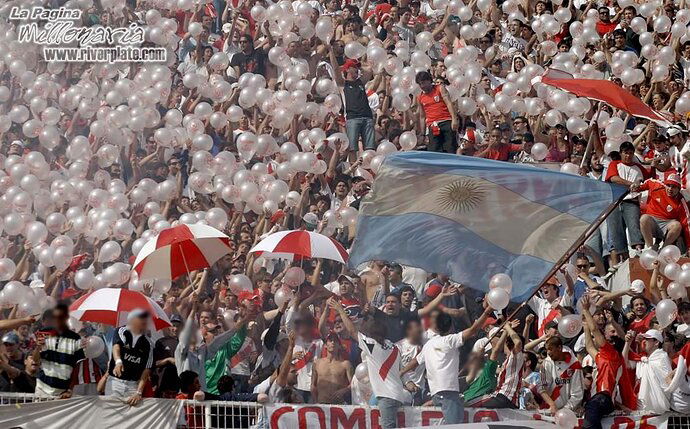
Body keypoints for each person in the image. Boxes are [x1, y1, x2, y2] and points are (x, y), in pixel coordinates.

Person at [402, 306, 493, 424]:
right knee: (454, 425)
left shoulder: (429, 344)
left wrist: (402, 371)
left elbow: (415, 361)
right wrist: (487, 312)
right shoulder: (450, 340)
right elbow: (473, 330)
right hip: (447, 391)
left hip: (436, 393)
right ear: (450, 326)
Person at [33, 304, 85, 398]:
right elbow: (35, 360)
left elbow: (78, 367)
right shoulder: (44, 334)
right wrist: (37, 347)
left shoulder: (76, 338)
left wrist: (70, 389)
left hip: (63, 393)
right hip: (42, 389)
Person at [107, 309, 154, 405]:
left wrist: (139, 392)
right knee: (111, 414)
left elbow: (147, 369)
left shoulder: (148, 344)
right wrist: (118, 362)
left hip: (133, 385)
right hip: (116, 382)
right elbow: (116, 347)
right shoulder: (122, 331)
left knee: (130, 418)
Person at [633, 174, 690, 249]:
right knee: (644, 218)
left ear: (679, 189)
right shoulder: (657, 186)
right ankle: (651, 248)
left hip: (667, 225)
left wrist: (689, 246)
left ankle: (664, 249)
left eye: (674, 187)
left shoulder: (681, 201)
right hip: (652, 222)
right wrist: (638, 187)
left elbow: (686, 223)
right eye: (668, 185)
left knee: (677, 225)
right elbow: (648, 182)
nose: (670, 189)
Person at [623, 329, 672, 413]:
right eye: (643, 339)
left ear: (656, 342)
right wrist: (628, 343)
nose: (644, 341)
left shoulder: (662, 357)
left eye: (647, 339)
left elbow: (667, 382)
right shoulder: (641, 358)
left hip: (658, 406)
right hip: (641, 405)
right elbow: (625, 362)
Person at [538, 336, 584, 413]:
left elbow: (577, 393)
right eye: (547, 350)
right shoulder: (546, 363)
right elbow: (542, 387)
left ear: (559, 348)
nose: (548, 353)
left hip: (569, 413)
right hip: (550, 411)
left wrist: (564, 411)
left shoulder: (575, 364)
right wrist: (552, 405)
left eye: (550, 349)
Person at [416, 71, 457, 153]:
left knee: (450, 148)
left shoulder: (440, 88)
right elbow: (422, 116)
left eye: (423, 83)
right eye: (420, 84)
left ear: (429, 80)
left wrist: (454, 119)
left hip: (446, 121)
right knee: (434, 150)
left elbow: (449, 103)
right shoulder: (420, 97)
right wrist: (423, 134)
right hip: (433, 125)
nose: (422, 86)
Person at [311, 331, 353, 404]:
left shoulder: (345, 364)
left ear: (339, 345)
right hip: (321, 402)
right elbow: (313, 385)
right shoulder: (317, 363)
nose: (333, 343)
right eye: (330, 341)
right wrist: (315, 401)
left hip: (339, 404)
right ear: (325, 345)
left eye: (335, 341)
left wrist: (343, 391)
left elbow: (354, 384)